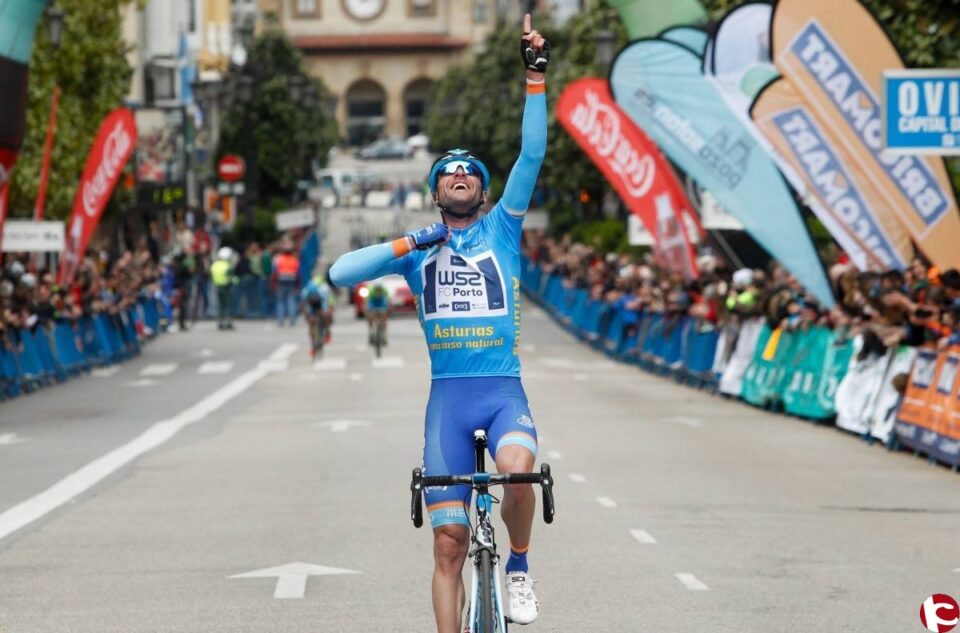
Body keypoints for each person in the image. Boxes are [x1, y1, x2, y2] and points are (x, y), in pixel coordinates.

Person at [329, 15, 549, 632]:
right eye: (448, 172)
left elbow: (532, 154)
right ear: (435, 192)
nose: (460, 175)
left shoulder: (502, 229)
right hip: (447, 401)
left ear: (483, 192)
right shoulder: (419, 251)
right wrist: (412, 242)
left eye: (470, 172)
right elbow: (341, 273)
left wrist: (535, 77)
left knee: (517, 472)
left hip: (502, 392)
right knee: (449, 544)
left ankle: (519, 567)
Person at [300, 269, 333, 357]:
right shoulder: (321, 288)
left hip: (318, 303)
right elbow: (329, 301)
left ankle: (325, 332)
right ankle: (325, 333)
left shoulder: (319, 289)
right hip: (314, 304)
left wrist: (306, 315)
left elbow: (304, 303)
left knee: (316, 320)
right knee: (318, 319)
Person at [272, 239, 300, 326]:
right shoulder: (294, 260)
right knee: (291, 300)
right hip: (291, 281)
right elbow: (297, 274)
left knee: (280, 302)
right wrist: (297, 285)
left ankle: (280, 320)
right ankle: (292, 320)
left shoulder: (278, 259)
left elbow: (275, 273)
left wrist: (273, 283)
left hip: (281, 281)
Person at [210, 247, 237, 330]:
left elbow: (211, 276)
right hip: (226, 287)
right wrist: (236, 280)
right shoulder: (227, 265)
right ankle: (228, 321)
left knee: (221, 305)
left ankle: (220, 321)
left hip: (217, 286)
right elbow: (231, 277)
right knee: (227, 305)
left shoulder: (214, 265)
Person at [364, 279, 390, 347]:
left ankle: (384, 335)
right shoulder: (371, 290)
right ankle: (371, 332)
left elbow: (388, 301)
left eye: (379, 289)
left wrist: (388, 309)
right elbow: (367, 302)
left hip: (381, 302)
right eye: (377, 289)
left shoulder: (384, 290)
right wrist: (367, 311)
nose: (378, 290)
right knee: (371, 315)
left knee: (384, 316)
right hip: (373, 302)